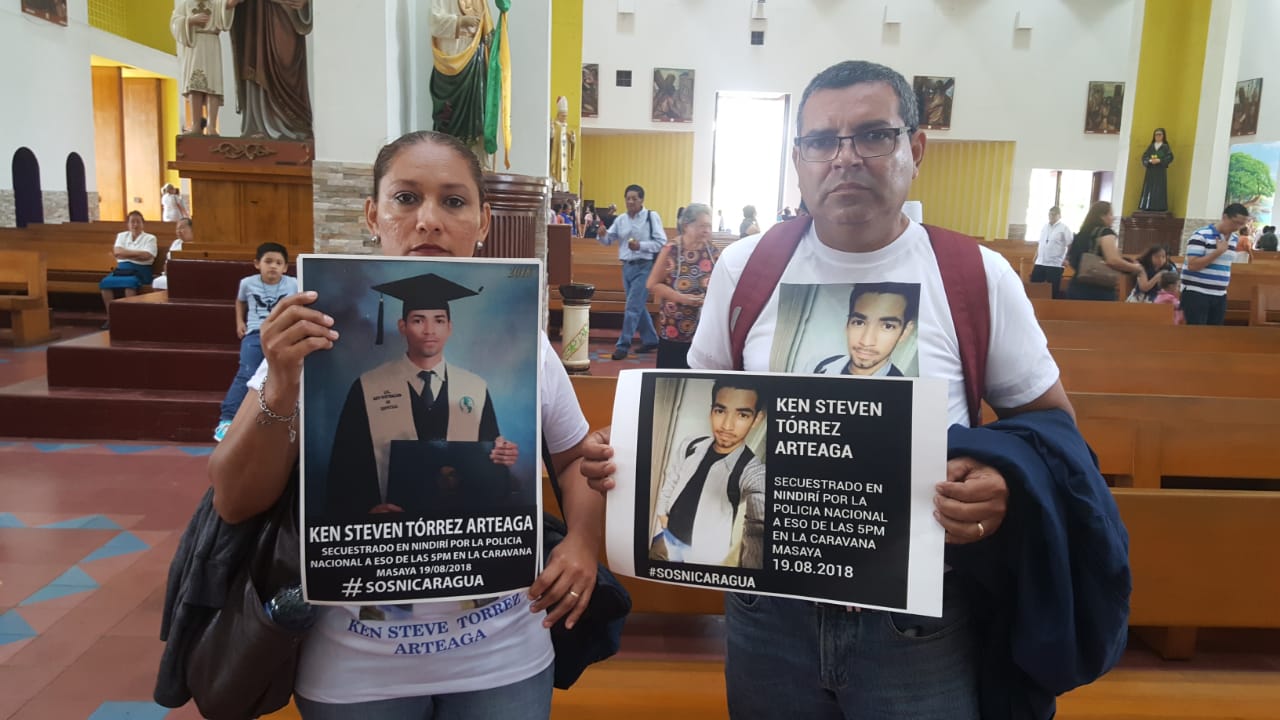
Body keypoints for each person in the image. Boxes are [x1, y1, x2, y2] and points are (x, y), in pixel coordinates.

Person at [661, 59, 1114, 719]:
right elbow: (700, 404)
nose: (844, 157)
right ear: (799, 159)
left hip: (915, 626)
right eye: (821, 141)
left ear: (915, 148)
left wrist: (1003, 482)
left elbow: (1054, 430)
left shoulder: (974, 276)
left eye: (873, 135)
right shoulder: (747, 266)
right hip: (770, 613)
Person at [208, 130, 604, 718]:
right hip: (356, 657)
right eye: (405, 198)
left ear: (484, 220)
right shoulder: (313, 346)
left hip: (502, 646)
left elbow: (572, 460)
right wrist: (286, 385)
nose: (428, 221)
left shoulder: (514, 363)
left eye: (453, 201)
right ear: (373, 213)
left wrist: (581, 540)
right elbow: (235, 500)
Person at [322, 271, 518, 518]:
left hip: (458, 530)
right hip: (388, 530)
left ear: (449, 327)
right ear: (402, 327)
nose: (429, 330)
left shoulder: (475, 388)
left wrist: (502, 455)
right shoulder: (368, 386)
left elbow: (490, 467)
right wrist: (365, 511)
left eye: (438, 320)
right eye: (417, 320)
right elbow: (346, 465)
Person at [650, 378, 766, 568]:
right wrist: (662, 513)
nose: (727, 425)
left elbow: (759, 521)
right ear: (711, 411)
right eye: (720, 411)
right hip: (667, 537)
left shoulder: (751, 469)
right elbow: (672, 479)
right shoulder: (691, 445)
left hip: (703, 555)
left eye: (742, 415)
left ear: (757, 419)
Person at [212, 241, 296, 442]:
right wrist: (239, 322)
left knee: (286, 374)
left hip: (283, 334)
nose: (273, 266)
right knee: (247, 372)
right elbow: (240, 301)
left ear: (285, 267)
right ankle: (227, 419)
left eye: (278, 262)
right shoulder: (247, 283)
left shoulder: (294, 283)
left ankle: (281, 422)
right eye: (268, 261)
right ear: (257, 263)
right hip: (255, 334)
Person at [646, 204, 719, 369]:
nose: (707, 230)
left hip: (702, 331)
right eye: (702, 226)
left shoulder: (712, 251)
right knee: (670, 381)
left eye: (709, 226)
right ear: (686, 226)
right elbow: (652, 284)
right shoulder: (671, 250)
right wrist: (681, 298)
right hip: (674, 328)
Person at [599, 184, 667, 360]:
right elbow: (608, 240)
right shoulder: (621, 219)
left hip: (644, 267)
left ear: (642, 200)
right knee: (636, 306)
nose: (630, 202)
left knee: (631, 307)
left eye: (634, 198)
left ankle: (623, 345)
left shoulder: (651, 217)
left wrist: (641, 246)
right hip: (626, 267)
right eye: (628, 198)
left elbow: (661, 242)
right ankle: (651, 339)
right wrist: (602, 234)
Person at [230, 0, 312, 140]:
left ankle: (293, 125)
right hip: (254, 13)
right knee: (255, 59)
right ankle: (258, 125)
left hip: (284, 13)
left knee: (285, 59)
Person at [812, 282, 917, 376]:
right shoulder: (821, 365)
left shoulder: (903, 391)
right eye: (859, 322)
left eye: (887, 326)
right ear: (847, 324)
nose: (866, 342)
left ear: (904, 332)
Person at [170, 0, 240, 136]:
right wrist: (190, 20)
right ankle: (196, 125)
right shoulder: (185, 5)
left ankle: (212, 126)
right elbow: (175, 23)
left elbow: (227, 7)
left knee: (213, 86)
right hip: (194, 45)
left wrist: (232, 3)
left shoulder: (215, 3)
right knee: (195, 85)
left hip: (211, 43)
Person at [430, 0, 491, 149]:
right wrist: (460, 21)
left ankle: (475, 158)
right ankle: (449, 157)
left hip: (476, 60)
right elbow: (434, 23)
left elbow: (487, 33)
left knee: (477, 111)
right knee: (448, 116)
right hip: (451, 62)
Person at [1180, 203, 1251, 325]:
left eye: (1242, 224)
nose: (1237, 227)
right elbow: (1192, 265)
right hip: (1196, 293)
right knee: (1196, 336)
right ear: (1225, 217)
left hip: (1219, 294)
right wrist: (1218, 252)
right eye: (1235, 222)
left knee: (1214, 337)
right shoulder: (1201, 235)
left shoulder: (1234, 239)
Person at [1066, 201, 1142, 301]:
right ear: (1102, 216)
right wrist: (1135, 268)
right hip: (1098, 289)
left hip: (1076, 287)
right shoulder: (1105, 232)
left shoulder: (1081, 234)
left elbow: (1071, 260)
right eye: (1110, 214)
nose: (1113, 217)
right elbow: (1113, 260)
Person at [98, 211, 158, 323]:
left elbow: (147, 255)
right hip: (122, 269)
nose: (135, 225)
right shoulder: (122, 236)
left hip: (141, 270)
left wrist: (126, 253)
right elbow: (117, 252)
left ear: (143, 224)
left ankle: (129, 317)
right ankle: (111, 317)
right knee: (105, 283)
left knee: (129, 284)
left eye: (138, 222)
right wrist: (136, 253)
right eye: (132, 222)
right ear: (128, 224)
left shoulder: (150, 238)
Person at [1029, 206, 1071, 298]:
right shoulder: (1045, 226)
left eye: (1053, 214)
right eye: (1050, 214)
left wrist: (1067, 258)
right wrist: (1036, 255)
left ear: (1059, 216)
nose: (1051, 216)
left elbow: (1070, 244)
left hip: (1055, 264)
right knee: (1034, 287)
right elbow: (1042, 242)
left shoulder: (1064, 228)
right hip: (1040, 262)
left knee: (1053, 290)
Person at [151, 218, 193, 291]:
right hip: (171, 273)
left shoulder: (196, 244)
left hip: (187, 274)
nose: (179, 231)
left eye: (182, 228)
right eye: (177, 229)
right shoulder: (176, 243)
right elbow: (168, 261)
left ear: (191, 229)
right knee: (158, 282)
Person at [1138, 128, 1174, 212]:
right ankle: (1146, 205)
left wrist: (1160, 160)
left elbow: (1170, 157)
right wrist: (1149, 161)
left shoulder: (1165, 147)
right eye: (1156, 135)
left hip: (1160, 171)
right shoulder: (1151, 146)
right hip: (1151, 170)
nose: (1158, 136)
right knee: (1149, 187)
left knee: (1159, 188)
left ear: (1163, 136)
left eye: (1159, 134)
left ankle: (1159, 206)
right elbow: (1145, 156)